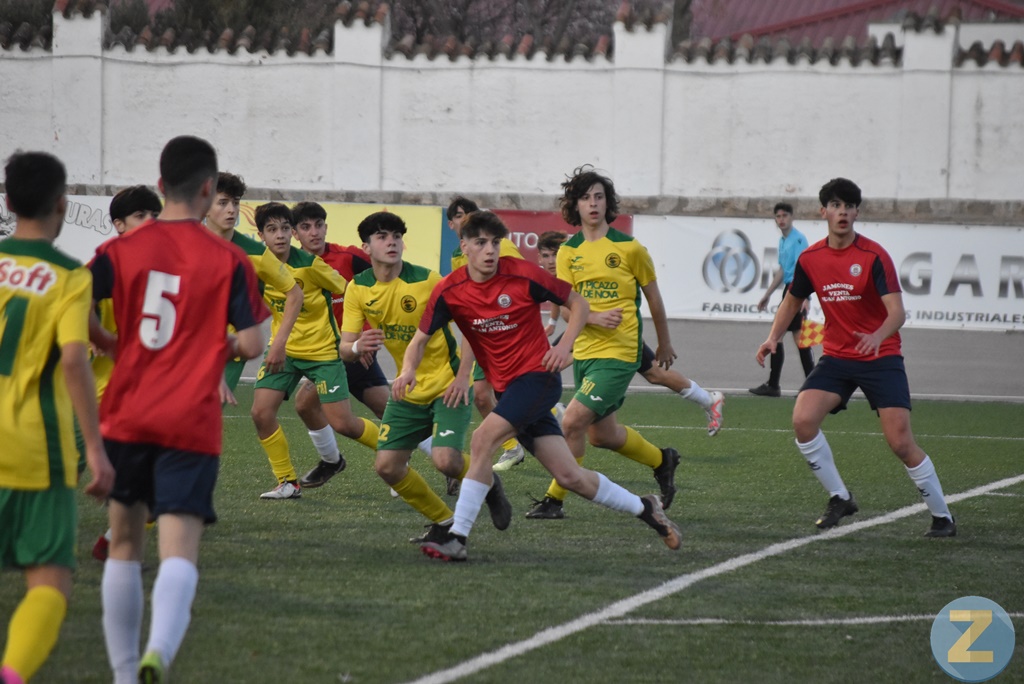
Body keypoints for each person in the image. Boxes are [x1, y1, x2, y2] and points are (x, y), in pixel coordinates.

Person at [394, 210, 681, 562]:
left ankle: (457, 537)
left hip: (537, 378)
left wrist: (563, 346)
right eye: (481, 243)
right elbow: (420, 339)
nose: (490, 250)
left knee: (483, 439)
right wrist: (407, 370)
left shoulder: (522, 274)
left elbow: (577, 303)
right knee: (570, 476)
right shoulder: (450, 290)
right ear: (464, 247)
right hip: (508, 388)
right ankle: (645, 507)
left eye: (495, 242)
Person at [92, 136, 269, 683]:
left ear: (160, 185)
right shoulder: (228, 258)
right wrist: (218, 345)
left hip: (126, 413)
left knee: (124, 545)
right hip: (189, 420)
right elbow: (255, 341)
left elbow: (75, 309)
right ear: (209, 190)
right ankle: (159, 653)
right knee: (178, 552)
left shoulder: (119, 250)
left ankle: (124, 673)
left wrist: (109, 342)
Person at [755, 178, 956, 537]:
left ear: (857, 212)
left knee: (900, 442)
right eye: (835, 205)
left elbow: (897, 312)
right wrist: (772, 338)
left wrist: (877, 336)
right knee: (803, 421)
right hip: (838, 358)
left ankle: (943, 517)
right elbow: (792, 301)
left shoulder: (874, 256)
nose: (842, 212)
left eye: (849, 206)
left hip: (881, 357)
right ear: (824, 212)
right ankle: (840, 497)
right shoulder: (811, 258)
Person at [0, 151, 114, 684]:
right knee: (49, 582)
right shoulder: (70, 275)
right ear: (63, 204)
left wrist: (104, 337)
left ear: (8, 202)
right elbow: (73, 358)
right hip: (34, 447)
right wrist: (95, 450)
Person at [340, 211, 511, 545]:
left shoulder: (428, 281)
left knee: (446, 461)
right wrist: (358, 346)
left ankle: (488, 481)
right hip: (408, 388)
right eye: (382, 236)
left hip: (448, 385)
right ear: (366, 247)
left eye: (397, 236)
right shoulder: (358, 288)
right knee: (387, 467)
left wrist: (463, 376)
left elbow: (472, 327)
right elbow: (345, 349)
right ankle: (444, 521)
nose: (392, 242)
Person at [527, 166, 682, 521]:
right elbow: (568, 306)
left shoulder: (629, 248)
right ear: (575, 205)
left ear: (608, 203)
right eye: (585, 198)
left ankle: (554, 499)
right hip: (586, 352)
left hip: (620, 353)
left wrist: (664, 343)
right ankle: (663, 460)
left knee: (571, 422)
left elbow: (654, 298)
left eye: (599, 197)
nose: (593, 203)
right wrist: (593, 318)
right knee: (602, 435)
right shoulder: (568, 253)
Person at [537, 230, 724, 440]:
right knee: (653, 375)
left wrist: (664, 342)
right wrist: (552, 323)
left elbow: (567, 305)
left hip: (616, 333)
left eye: (554, 254)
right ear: (539, 258)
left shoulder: (584, 256)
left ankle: (554, 410)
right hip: (588, 332)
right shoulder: (559, 268)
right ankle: (708, 400)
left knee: (654, 374)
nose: (551, 261)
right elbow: (560, 300)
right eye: (546, 256)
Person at [249, 202, 379, 499]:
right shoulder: (258, 266)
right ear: (261, 236)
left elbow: (350, 291)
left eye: (284, 228)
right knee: (260, 412)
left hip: (323, 353)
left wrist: (359, 332)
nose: (280, 235)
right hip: (285, 351)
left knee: (344, 423)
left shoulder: (311, 265)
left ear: (290, 232)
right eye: (272, 230)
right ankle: (287, 482)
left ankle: (394, 453)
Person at [290, 201, 390, 488]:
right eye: (306, 227)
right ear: (295, 233)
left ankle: (335, 461)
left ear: (326, 227)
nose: (314, 232)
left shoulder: (349, 257)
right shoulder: (290, 264)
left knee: (310, 406)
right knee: (389, 411)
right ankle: (443, 456)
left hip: (350, 351)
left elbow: (383, 290)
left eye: (318, 225)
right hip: (326, 352)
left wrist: (366, 335)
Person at [90, 185, 163, 563]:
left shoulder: (165, 262)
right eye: (140, 216)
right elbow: (81, 300)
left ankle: (112, 542)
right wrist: (98, 338)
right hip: (109, 389)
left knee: (152, 483)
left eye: (154, 215)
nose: (149, 222)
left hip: (148, 388)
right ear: (118, 224)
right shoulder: (108, 259)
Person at [203, 173, 302, 404]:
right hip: (190, 347)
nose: (232, 210)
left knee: (203, 412)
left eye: (235, 203)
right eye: (223, 203)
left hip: (230, 352)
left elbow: (295, 294)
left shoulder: (256, 253)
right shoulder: (188, 244)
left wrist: (279, 342)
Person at [447, 196, 527, 471]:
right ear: (451, 224)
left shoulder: (501, 246)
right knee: (481, 396)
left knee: (512, 391)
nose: (465, 219)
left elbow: (525, 279)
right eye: (459, 215)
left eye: (469, 213)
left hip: (510, 331)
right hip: (483, 333)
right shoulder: (457, 256)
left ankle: (552, 414)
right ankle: (512, 447)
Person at [750, 202, 814, 397]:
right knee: (783, 337)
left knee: (792, 338)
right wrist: (767, 295)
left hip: (797, 291)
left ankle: (808, 387)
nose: (781, 219)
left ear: (792, 217)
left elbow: (807, 268)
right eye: (778, 216)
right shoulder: (783, 241)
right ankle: (780, 385)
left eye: (785, 216)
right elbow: (782, 271)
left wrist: (806, 296)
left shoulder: (798, 240)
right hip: (790, 290)